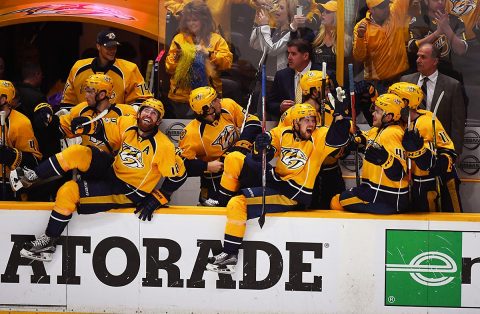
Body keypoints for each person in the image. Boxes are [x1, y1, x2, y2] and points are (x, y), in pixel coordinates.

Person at [13, 98, 187, 262]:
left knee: (68, 191)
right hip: (113, 171)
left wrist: (160, 197)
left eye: (154, 113)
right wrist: (85, 126)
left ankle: (49, 242)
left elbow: (180, 175)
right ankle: (31, 177)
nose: (148, 114)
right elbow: (102, 127)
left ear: (158, 121)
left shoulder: (164, 147)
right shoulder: (128, 123)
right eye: (146, 110)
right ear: (139, 113)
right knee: (78, 152)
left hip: (127, 191)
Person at [206, 103, 351, 273]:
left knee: (238, 204)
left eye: (313, 119)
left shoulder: (319, 137)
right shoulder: (283, 133)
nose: (311, 124)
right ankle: (221, 201)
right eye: (306, 120)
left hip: (294, 193)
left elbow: (337, 139)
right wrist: (260, 146)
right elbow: (261, 155)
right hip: (278, 182)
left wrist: (341, 119)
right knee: (235, 158)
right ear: (295, 123)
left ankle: (230, 255)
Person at [178, 86, 261, 206]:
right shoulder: (191, 133)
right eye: (215, 100)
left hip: (241, 167)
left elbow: (254, 123)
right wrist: (206, 166)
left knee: (245, 206)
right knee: (215, 212)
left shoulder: (227, 105)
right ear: (207, 109)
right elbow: (182, 165)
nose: (219, 101)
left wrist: (240, 145)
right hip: (216, 180)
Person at [389, 82, 462, 212]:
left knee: (450, 219)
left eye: (393, 98)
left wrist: (433, 163)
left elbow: (448, 151)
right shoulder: (398, 121)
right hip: (415, 182)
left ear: (405, 102)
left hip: (439, 181)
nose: (389, 102)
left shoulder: (427, 122)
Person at [331, 93, 409, 214]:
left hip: (388, 197)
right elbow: (361, 137)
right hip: (373, 189)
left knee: (336, 202)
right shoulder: (377, 130)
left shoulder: (393, 133)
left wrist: (386, 160)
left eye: (377, 111)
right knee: (339, 199)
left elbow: (399, 173)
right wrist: (344, 119)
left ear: (388, 117)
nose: (373, 114)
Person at [33, 74, 137, 156]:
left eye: (90, 92)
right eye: (86, 91)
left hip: (114, 168)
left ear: (102, 94)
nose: (86, 96)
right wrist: (46, 114)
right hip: (88, 165)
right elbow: (59, 129)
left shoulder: (125, 112)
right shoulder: (81, 109)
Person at [165, 0, 233, 118]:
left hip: (209, 97)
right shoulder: (179, 39)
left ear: (203, 20)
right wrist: (177, 58)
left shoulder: (216, 39)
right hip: (181, 98)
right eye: (188, 20)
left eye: (195, 20)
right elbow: (169, 68)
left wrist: (209, 54)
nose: (191, 23)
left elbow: (227, 62)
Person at [400, 43, 466, 155]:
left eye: (423, 57)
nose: (418, 60)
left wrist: (455, 152)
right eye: (418, 56)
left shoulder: (452, 86)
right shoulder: (405, 81)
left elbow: (457, 124)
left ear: (435, 61)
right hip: (408, 146)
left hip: (438, 147)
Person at [61, 30, 152, 108]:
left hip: (115, 124)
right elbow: (67, 102)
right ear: (98, 46)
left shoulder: (129, 69)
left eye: (114, 46)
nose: (112, 50)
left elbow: (143, 100)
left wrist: (122, 115)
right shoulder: (78, 67)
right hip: (84, 122)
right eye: (108, 47)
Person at [352, 0, 411, 92]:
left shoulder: (395, 11)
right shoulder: (361, 27)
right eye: (381, 7)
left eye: (386, 4)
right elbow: (359, 57)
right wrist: (360, 37)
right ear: (371, 10)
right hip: (377, 83)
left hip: (401, 78)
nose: (386, 8)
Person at [0, 80, 42, 200]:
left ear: (4, 99)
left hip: (8, 186)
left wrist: (11, 155)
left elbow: (34, 162)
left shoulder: (21, 123)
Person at [408, 0, 468, 78]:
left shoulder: (456, 20)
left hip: (451, 74)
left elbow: (461, 50)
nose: (440, 2)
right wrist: (437, 33)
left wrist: (447, 28)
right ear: (426, 1)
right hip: (423, 73)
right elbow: (412, 48)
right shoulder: (418, 20)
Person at [267, 38, 323, 120]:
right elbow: (270, 104)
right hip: (289, 124)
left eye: (293, 54)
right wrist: (280, 107)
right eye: (288, 53)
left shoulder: (322, 74)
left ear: (305, 56)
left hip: (316, 123)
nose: (289, 57)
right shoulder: (282, 75)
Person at [250, 0, 308, 72]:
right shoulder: (275, 31)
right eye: (277, 6)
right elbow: (254, 44)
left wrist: (264, 26)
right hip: (263, 76)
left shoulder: (293, 34)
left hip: (278, 79)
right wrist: (258, 24)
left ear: (290, 13)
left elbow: (272, 50)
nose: (277, 10)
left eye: (281, 8)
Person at [312, 0, 352, 71]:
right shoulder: (316, 36)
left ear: (336, 16)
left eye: (328, 12)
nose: (323, 14)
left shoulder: (346, 40)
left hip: (335, 80)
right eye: (323, 11)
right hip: (316, 80)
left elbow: (348, 68)